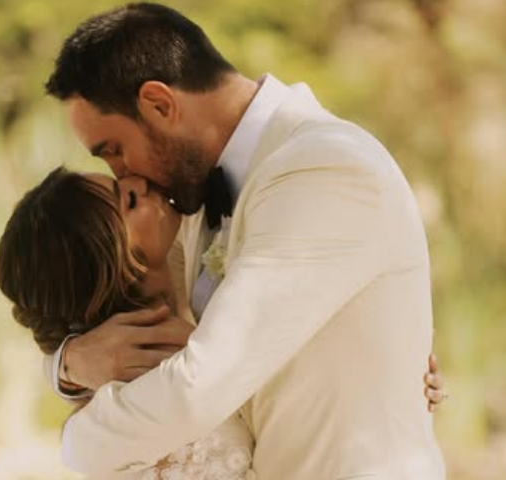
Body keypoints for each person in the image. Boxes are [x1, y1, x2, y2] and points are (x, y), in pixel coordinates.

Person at [44, 3, 448, 479]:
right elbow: (111, 314)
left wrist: (77, 442)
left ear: (159, 104)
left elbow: (200, 384)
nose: (121, 174)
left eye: (114, 150)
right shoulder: (185, 201)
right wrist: (68, 365)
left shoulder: (325, 165)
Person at [0, 167, 445, 480]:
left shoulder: (192, 260)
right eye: (125, 199)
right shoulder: (151, 383)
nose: (136, 180)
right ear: (116, 260)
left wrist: (389, 359)